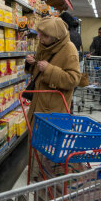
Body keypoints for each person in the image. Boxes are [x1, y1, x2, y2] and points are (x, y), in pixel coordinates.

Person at [25, 17, 81, 182]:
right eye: (40, 35)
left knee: (48, 142)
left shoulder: (69, 49)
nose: (41, 39)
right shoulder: (44, 46)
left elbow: (74, 79)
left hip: (53, 107)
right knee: (34, 138)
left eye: (45, 36)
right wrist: (32, 64)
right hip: (38, 102)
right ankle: (35, 173)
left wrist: (49, 69)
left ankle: (45, 176)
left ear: (56, 37)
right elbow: (39, 71)